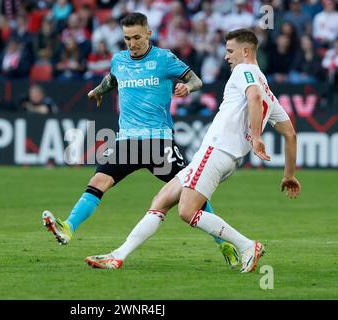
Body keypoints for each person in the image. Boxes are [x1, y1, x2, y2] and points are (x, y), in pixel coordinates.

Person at [85, 28, 301, 273]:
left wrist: (257, 137)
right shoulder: (268, 89)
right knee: (161, 200)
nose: (226, 56)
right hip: (224, 156)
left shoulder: (245, 70)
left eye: (230, 51)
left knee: (187, 211)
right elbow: (290, 134)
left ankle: (247, 245)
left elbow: (252, 98)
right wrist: (289, 174)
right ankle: (117, 256)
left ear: (246, 51)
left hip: (217, 150)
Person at [42, 12, 240, 268]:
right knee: (98, 181)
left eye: (137, 37)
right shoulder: (119, 60)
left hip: (159, 142)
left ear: (148, 33)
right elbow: (113, 79)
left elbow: (195, 79)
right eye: (127, 38)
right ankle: (68, 228)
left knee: (191, 195)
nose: (132, 43)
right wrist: (98, 91)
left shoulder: (164, 58)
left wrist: (187, 88)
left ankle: (223, 243)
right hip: (127, 142)